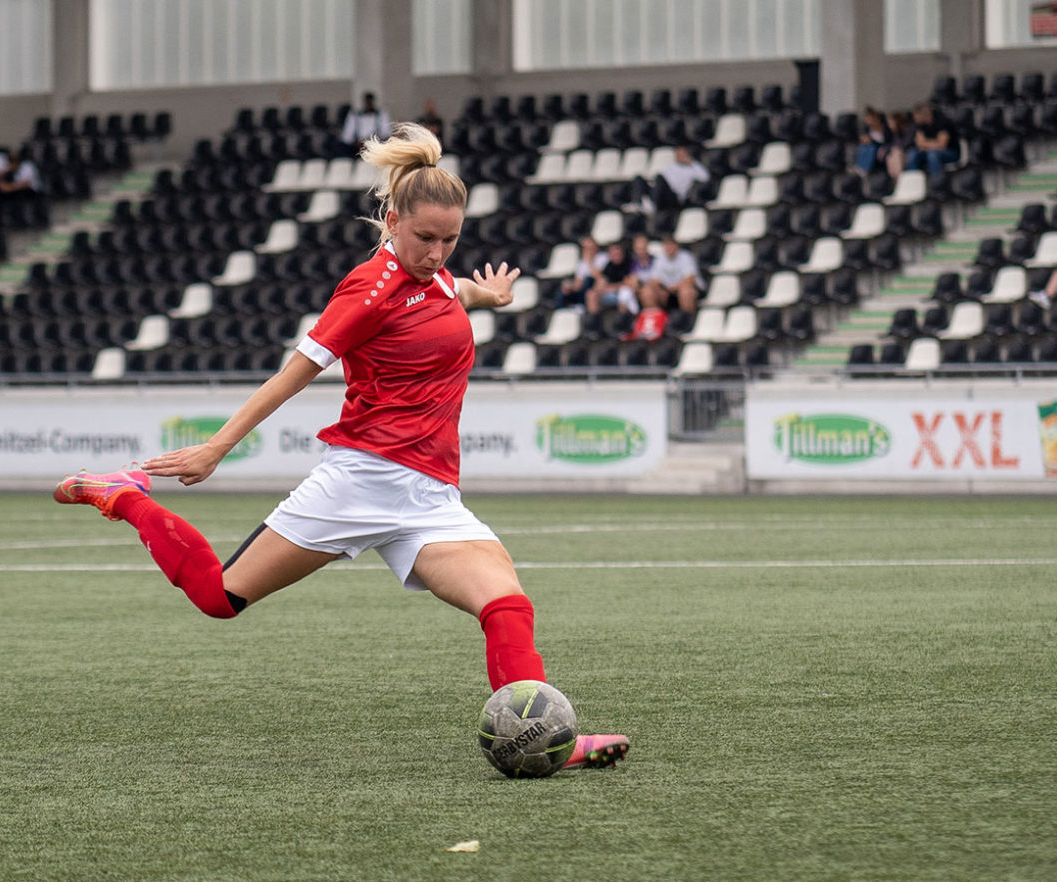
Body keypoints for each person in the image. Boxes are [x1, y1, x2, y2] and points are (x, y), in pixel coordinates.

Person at [51, 123, 629, 772]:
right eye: (425, 239)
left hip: (429, 498)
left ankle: (541, 739)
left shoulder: (434, 278)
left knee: (506, 605)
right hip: (359, 482)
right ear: (391, 220)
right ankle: (123, 496)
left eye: (450, 239)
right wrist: (218, 447)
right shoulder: (368, 290)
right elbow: (294, 374)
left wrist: (485, 294)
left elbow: (450, 290)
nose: (438, 253)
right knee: (220, 598)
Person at [639, 233, 704, 314]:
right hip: (667, 291)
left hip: (686, 289)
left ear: (677, 246)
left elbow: (690, 279)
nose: (669, 248)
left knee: (685, 291)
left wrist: (672, 289)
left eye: (671, 245)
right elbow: (654, 280)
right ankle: (655, 320)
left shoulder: (686, 257)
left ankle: (688, 318)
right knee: (646, 291)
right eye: (667, 245)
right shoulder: (660, 259)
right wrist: (661, 289)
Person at [904, 102, 960, 180]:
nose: (914, 119)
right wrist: (933, 143)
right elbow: (919, 143)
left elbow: (942, 145)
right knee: (912, 153)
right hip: (930, 151)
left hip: (951, 152)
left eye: (915, 116)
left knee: (933, 154)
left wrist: (926, 143)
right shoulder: (920, 125)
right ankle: (914, 182)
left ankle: (936, 182)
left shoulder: (942, 121)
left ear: (922, 115)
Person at [587, 240, 640, 315]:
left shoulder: (630, 263)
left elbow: (632, 284)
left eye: (618, 252)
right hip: (611, 294)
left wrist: (611, 287)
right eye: (613, 253)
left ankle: (624, 320)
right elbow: (600, 284)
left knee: (624, 293)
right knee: (591, 294)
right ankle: (593, 320)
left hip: (627, 294)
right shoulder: (609, 266)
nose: (616, 254)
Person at [554, 236, 605, 311]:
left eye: (591, 248)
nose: (589, 251)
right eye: (586, 248)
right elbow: (578, 284)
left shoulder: (603, 257)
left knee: (589, 280)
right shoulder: (582, 263)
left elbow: (598, 276)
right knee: (562, 293)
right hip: (583, 290)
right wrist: (570, 288)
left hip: (596, 288)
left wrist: (589, 262)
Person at [338, 92, 393, 157]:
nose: (369, 104)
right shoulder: (354, 115)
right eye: (367, 102)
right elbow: (347, 136)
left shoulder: (381, 114)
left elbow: (386, 133)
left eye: (370, 102)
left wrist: (372, 141)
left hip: (376, 146)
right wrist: (358, 143)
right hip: (357, 148)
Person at [855, 107, 888, 175]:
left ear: (874, 118)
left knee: (871, 148)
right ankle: (860, 167)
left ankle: (865, 169)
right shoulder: (867, 129)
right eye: (866, 119)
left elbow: (885, 141)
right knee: (862, 147)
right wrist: (865, 140)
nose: (867, 120)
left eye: (869, 118)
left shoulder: (884, 128)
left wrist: (872, 140)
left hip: (881, 147)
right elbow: (862, 138)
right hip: (871, 146)